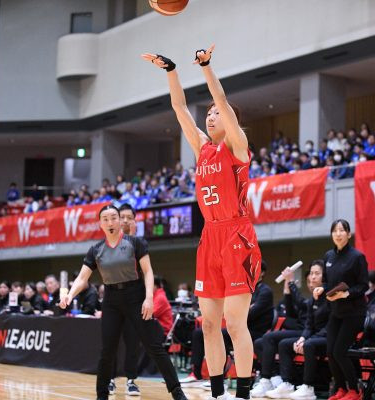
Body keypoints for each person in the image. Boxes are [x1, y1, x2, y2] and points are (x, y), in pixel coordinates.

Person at [143, 44, 262, 400]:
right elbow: (180, 108)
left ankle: (243, 393)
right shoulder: (202, 148)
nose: (211, 117)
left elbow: (222, 100)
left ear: (229, 120)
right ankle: (217, 393)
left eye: (216, 114)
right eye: (208, 114)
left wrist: (206, 67)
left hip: (237, 235)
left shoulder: (237, 146)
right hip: (210, 237)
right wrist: (171, 71)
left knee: (235, 323)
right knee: (209, 324)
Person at [60, 205, 187, 400]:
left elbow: (148, 272)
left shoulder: (135, 243)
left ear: (120, 220)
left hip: (135, 296)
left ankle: (177, 392)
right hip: (111, 299)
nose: (110, 222)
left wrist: (149, 298)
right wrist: (70, 295)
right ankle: (101, 395)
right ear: (100, 224)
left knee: (153, 346)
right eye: (105, 219)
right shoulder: (96, 249)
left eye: (114, 218)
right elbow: (82, 278)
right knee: (107, 350)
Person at [181, 262, 273, 388]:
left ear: (262, 273)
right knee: (199, 333)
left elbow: (249, 314)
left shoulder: (265, 291)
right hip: (237, 328)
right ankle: (196, 374)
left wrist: (238, 309)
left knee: (221, 336)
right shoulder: (243, 288)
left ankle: (219, 380)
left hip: (254, 332)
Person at [313, 219, 369, 400]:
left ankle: (354, 390)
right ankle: (341, 389)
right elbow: (327, 282)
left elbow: (363, 285)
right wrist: (322, 288)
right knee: (330, 352)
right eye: (335, 230)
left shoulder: (357, 257)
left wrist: (346, 294)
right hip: (336, 312)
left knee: (339, 351)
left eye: (342, 230)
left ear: (348, 234)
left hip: (354, 312)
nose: (338, 234)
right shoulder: (328, 256)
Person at [251, 263, 319, 398]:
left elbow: (301, 304)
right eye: (309, 280)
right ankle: (274, 377)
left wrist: (291, 282)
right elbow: (291, 313)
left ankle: (267, 379)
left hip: (309, 333)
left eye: (315, 275)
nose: (311, 281)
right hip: (300, 330)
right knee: (259, 343)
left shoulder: (319, 298)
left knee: (270, 338)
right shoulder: (310, 299)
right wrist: (287, 288)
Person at [265, 261, 329, 400]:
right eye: (311, 274)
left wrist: (291, 283)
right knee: (284, 344)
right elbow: (309, 326)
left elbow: (328, 327)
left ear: (325, 276)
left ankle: (308, 386)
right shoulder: (313, 300)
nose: (312, 277)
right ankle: (286, 383)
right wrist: (302, 338)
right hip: (311, 336)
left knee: (308, 344)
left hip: (327, 338)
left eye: (317, 273)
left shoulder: (330, 296)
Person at [118, 202, 144, 396]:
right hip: (114, 299)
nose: (126, 220)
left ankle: (131, 381)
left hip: (135, 299)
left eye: (129, 217)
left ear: (135, 221)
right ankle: (110, 379)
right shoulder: (110, 242)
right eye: (122, 217)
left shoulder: (140, 244)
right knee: (111, 343)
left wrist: (133, 238)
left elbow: (143, 270)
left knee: (132, 343)